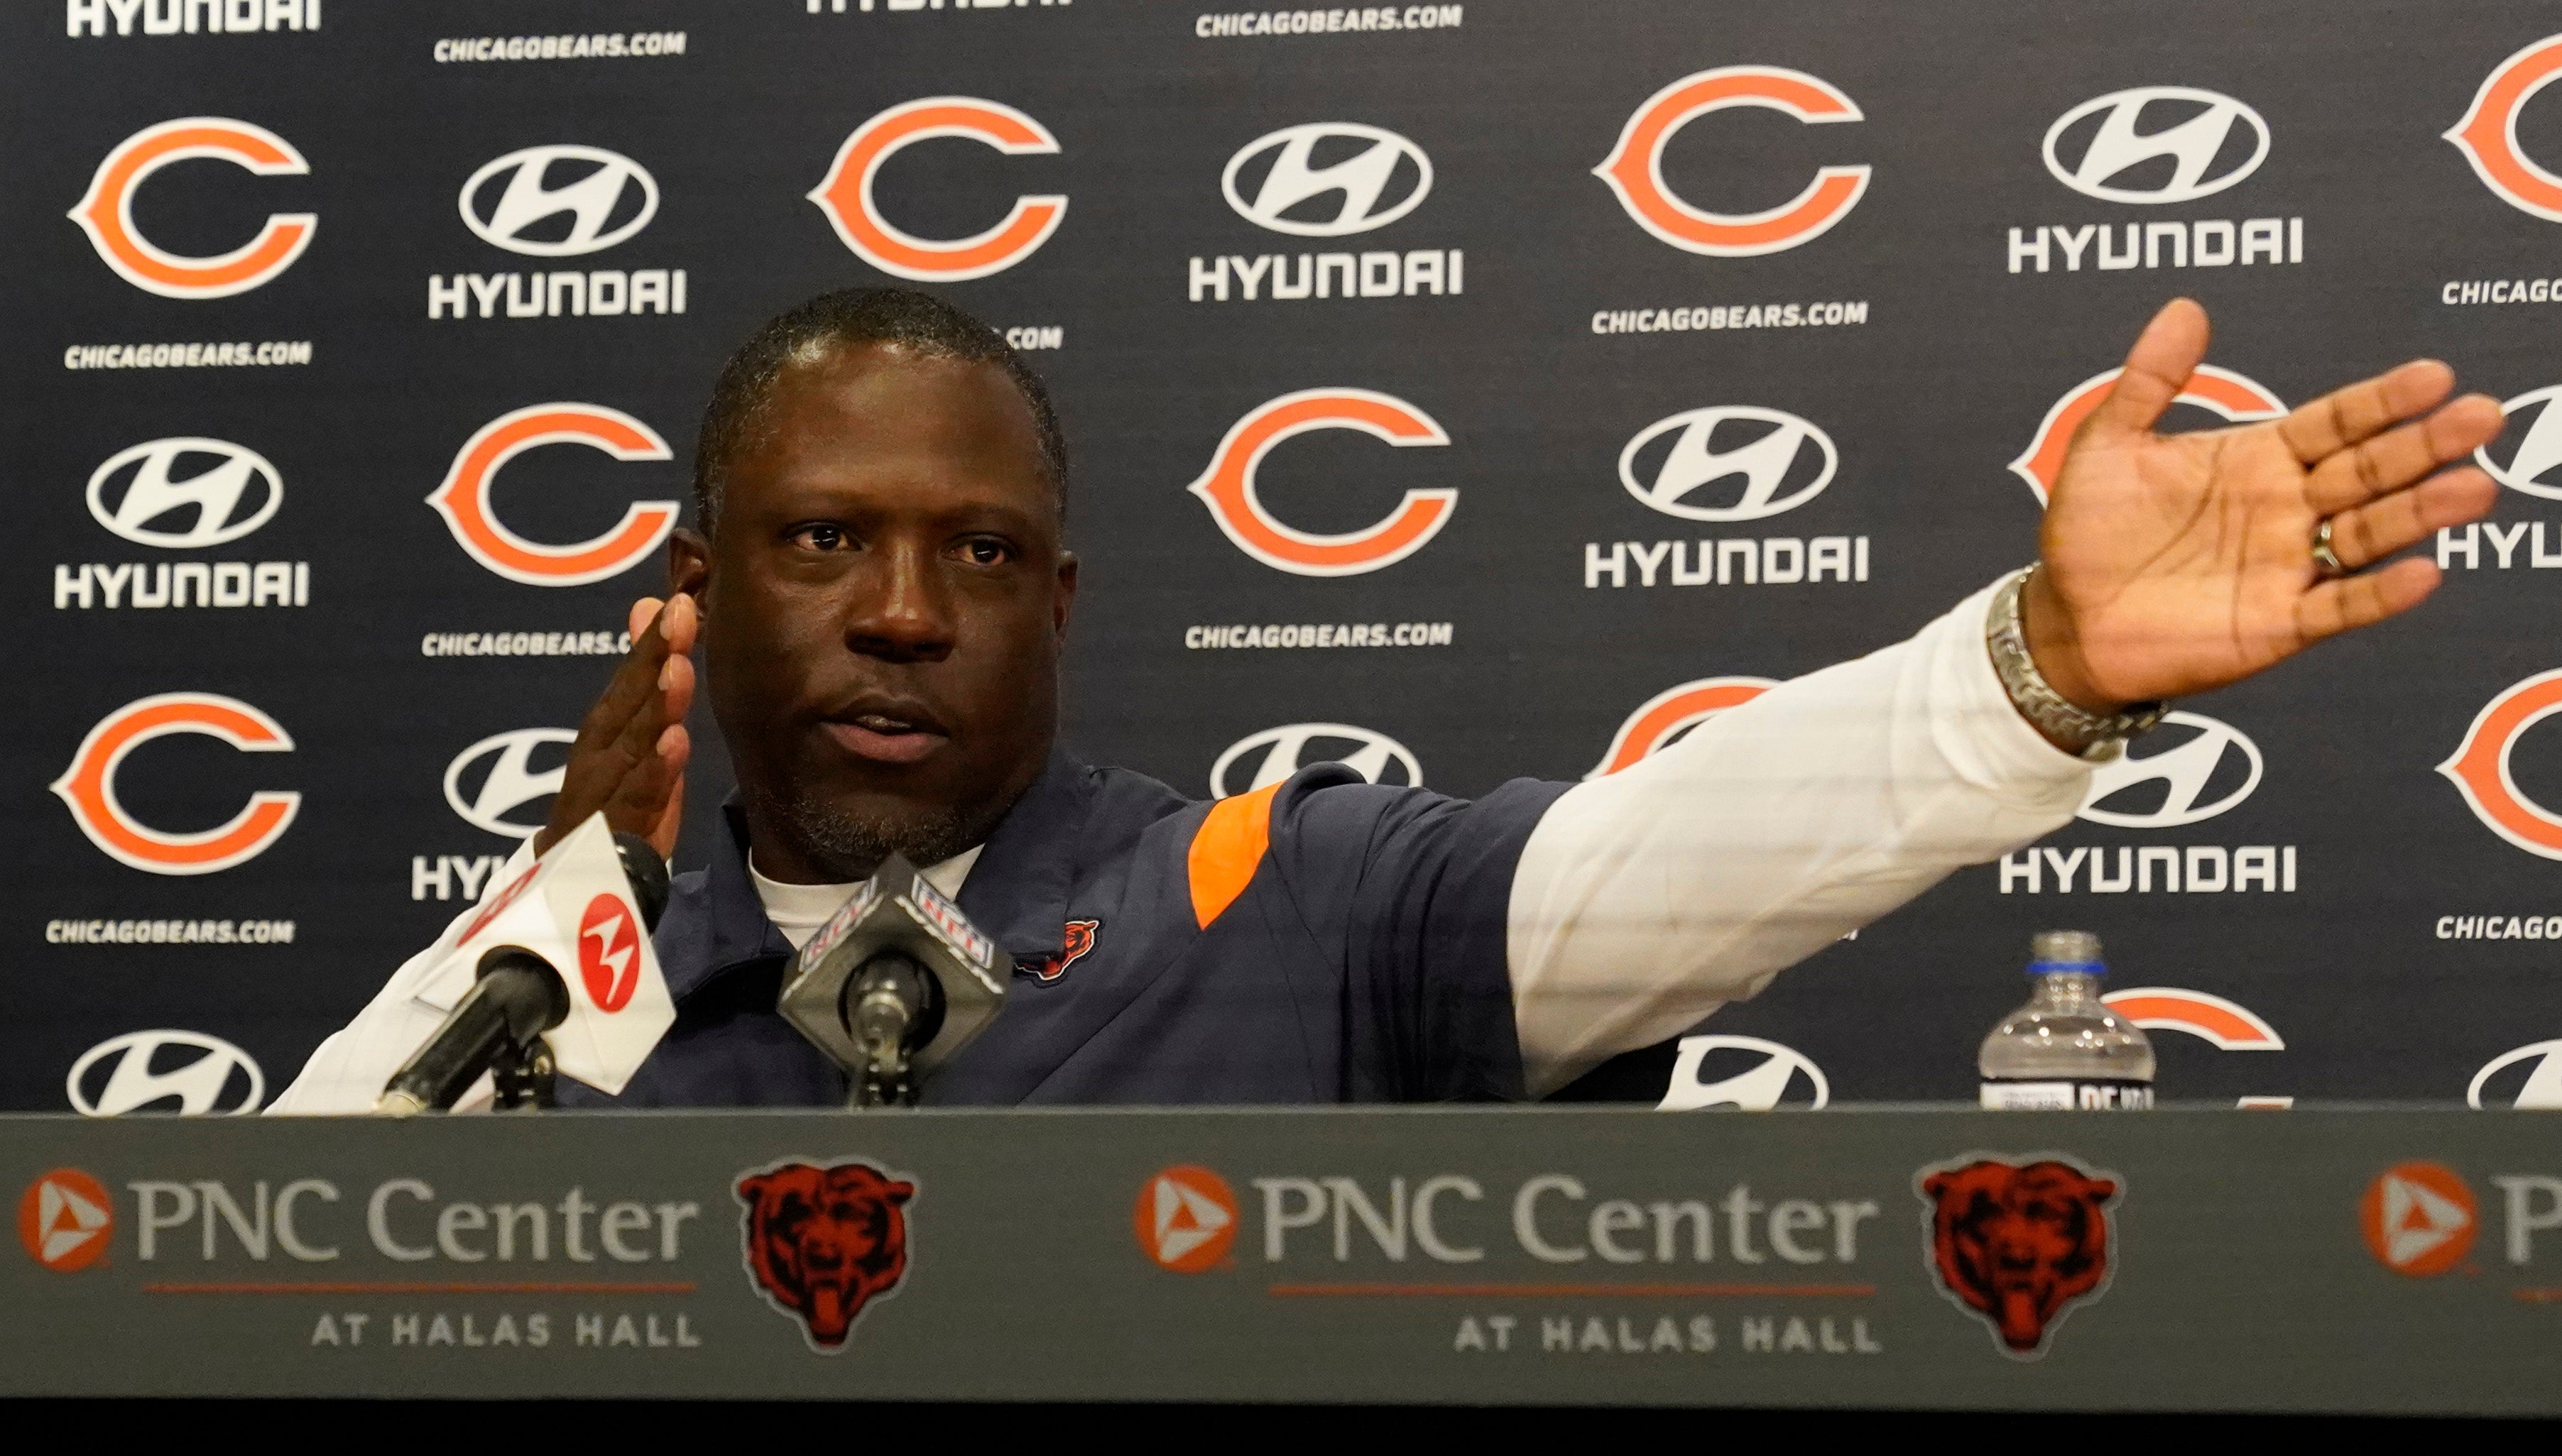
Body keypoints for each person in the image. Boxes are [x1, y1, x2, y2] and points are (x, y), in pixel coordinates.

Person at [274, 288, 2502, 1110]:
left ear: (1061, 603)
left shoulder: (1281, 898)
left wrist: (2044, 661)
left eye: (978, 555)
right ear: (691, 586)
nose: (902, 611)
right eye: (819, 540)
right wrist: (558, 920)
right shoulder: (569, 986)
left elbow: (1679, 854)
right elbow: (239, 1274)